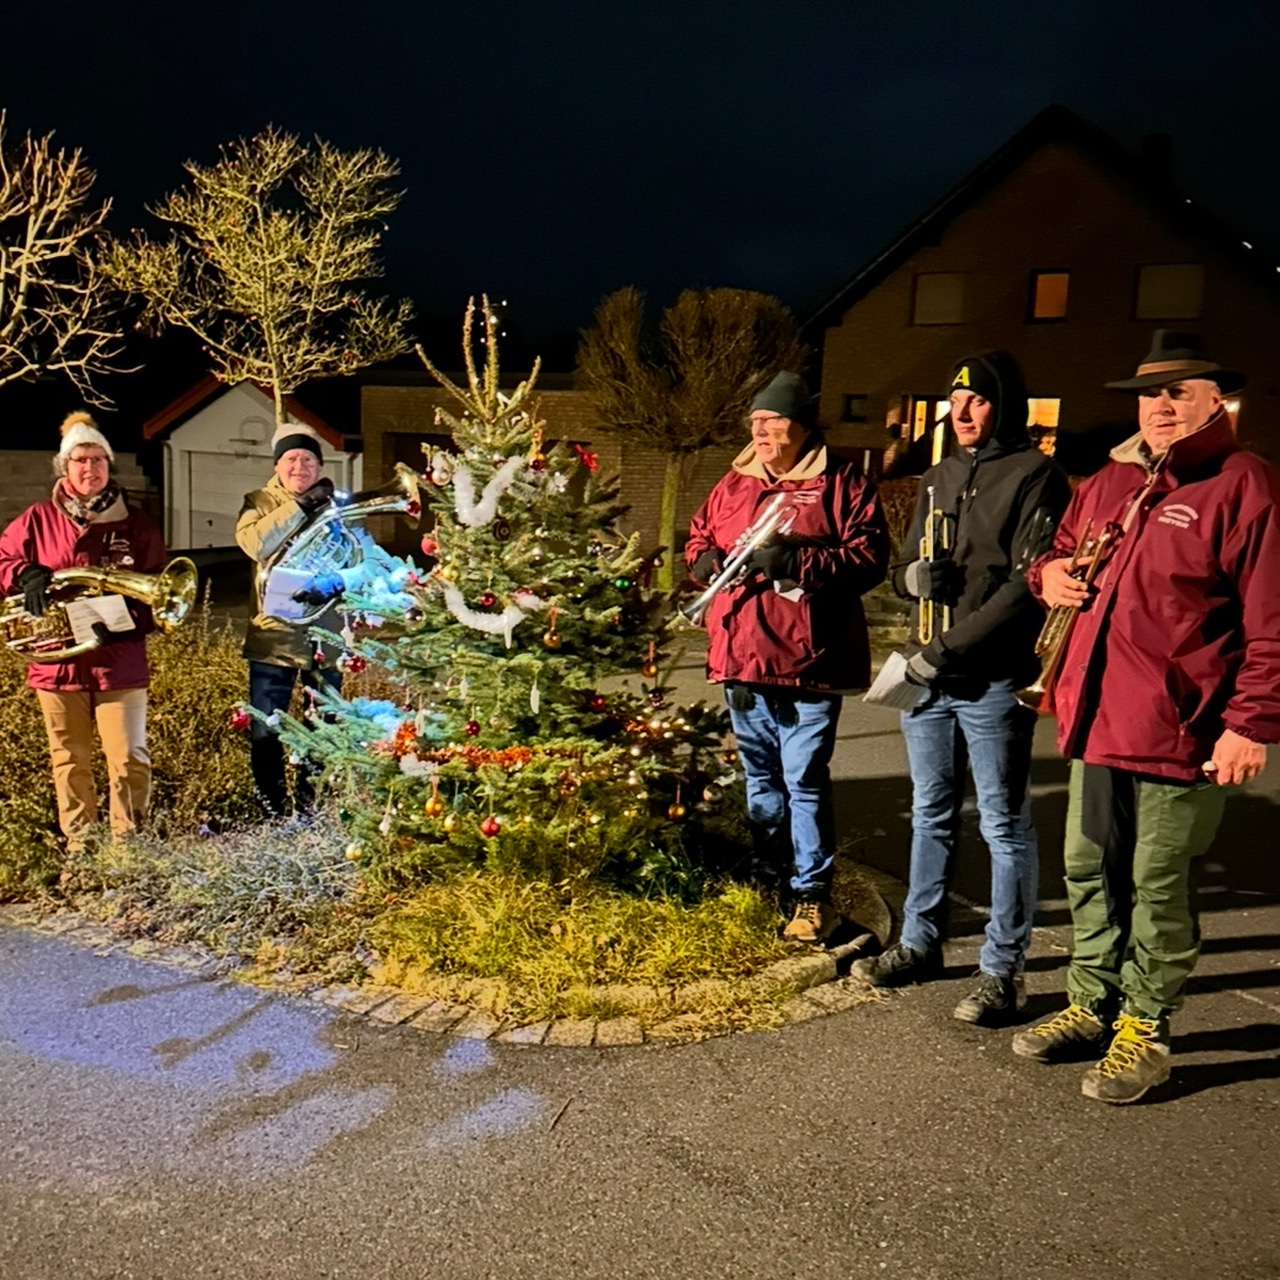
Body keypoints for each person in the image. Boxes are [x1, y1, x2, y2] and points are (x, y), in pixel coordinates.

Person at [1015, 330, 1280, 1103]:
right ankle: (1090, 1005)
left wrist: (1250, 723)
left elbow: (1270, 621)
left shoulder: (1241, 483)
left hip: (1183, 732)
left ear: (1213, 399)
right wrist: (1049, 574)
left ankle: (1146, 1027)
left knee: (1157, 885)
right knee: (1088, 869)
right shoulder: (1108, 480)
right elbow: (1059, 553)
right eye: (1150, 394)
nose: (1161, 406)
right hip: (1097, 721)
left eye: (1178, 392)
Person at [851, 352, 1071, 1024]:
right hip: (930, 675)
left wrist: (941, 650)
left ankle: (1003, 971)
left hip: (990, 678)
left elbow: (1024, 590)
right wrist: (909, 579)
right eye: (956, 401)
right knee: (931, 814)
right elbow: (908, 559)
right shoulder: (939, 475)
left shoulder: (1037, 475)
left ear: (1003, 405)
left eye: (978, 401)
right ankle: (920, 942)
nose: (964, 413)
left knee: (1005, 827)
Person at [685, 371, 889, 943]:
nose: (762, 431)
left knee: (803, 780)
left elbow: (869, 559)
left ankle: (810, 895)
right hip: (742, 656)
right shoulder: (734, 482)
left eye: (773, 422)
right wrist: (701, 560)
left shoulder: (842, 481)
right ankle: (767, 877)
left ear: (801, 428)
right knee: (760, 779)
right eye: (756, 422)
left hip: (809, 661)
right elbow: (700, 534)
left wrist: (796, 563)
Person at [0, 411, 167, 850]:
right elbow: (3, 560)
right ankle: (81, 847)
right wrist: (24, 575)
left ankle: (128, 848)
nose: (89, 468)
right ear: (65, 467)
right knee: (68, 761)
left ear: (109, 466)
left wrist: (125, 622)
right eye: (80, 460)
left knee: (129, 759)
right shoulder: (36, 519)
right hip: (58, 665)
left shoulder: (137, 522)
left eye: (98, 459)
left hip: (119, 663)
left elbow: (160, 593)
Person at [236, 427, 345, 817]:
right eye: (292, 459)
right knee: (266, 729)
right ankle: (273, 809)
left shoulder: (337, 505)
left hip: (325, 637)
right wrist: (300, 508)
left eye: (309, 460)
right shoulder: (259, 501)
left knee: (323, 728)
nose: (300, 466)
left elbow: (354, 559)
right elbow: (254, 543)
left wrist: (333, 581)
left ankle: (310, 805)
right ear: (277, 465)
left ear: (320, 466)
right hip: (274, 638)